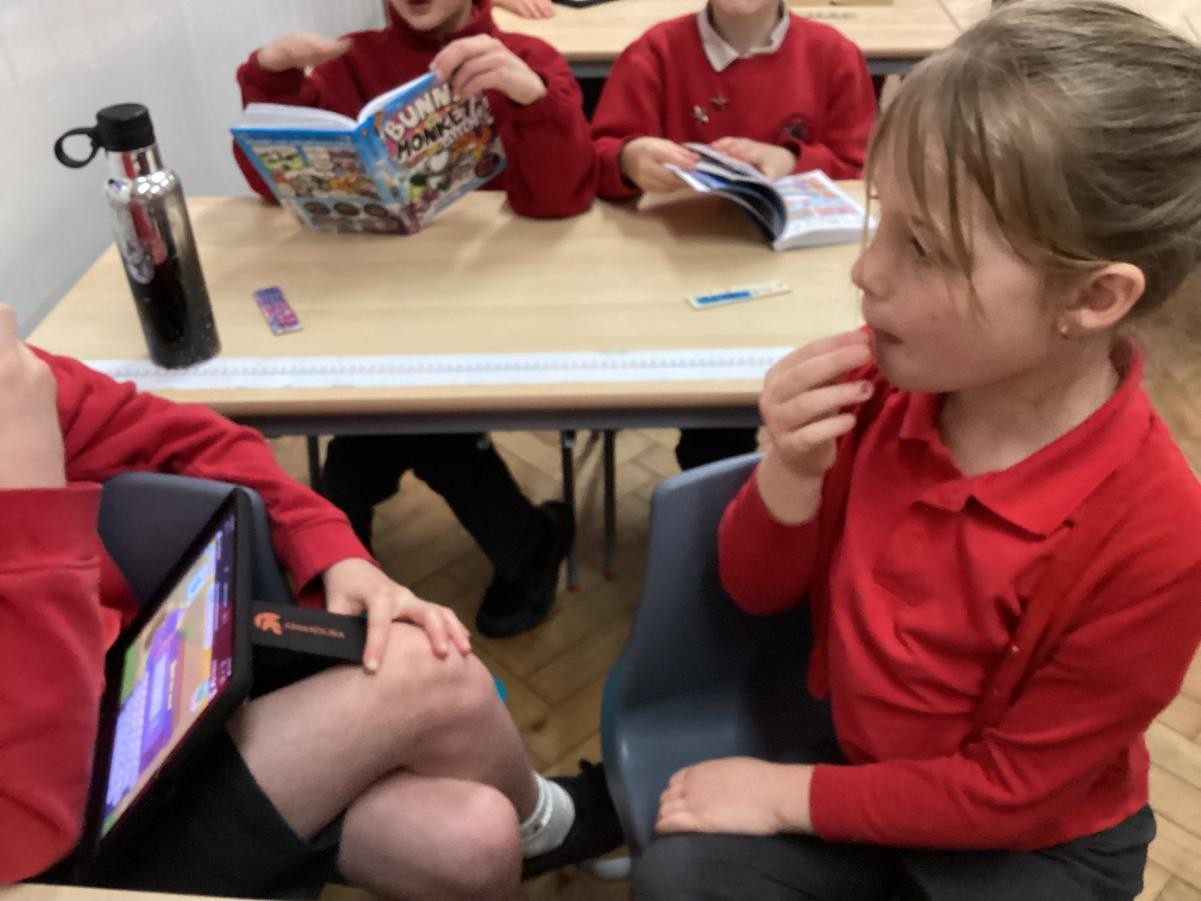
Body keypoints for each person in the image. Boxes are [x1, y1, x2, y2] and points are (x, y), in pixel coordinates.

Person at [632, 2, 1201, 899]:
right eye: (881, 218)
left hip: (1029, 841)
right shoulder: (883, 391)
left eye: (924, 247)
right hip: (856, 758)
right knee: (680, 876)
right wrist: (789, 470)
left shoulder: (1158, 535)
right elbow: (754, 588)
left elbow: (1009, 792)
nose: (865, 271)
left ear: (1092, 298)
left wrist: (788, 795)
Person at [0, 308, 622, 896]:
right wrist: (29, 507)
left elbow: (191, 437)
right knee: (433, 669)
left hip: (143, 714)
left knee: (474, 842)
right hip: (60, 845)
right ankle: (559, 823)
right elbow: (30, 826)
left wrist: (330, 548)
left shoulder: (19, 383)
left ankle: (541, 826)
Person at [235, 0, 596, 637]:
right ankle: (520, 539)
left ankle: (344, 538)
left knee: (399, 428)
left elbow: (562, 197)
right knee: (398, 420)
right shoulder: (352, 62)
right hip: (375, 305)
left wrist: (532, 98)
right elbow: (276, 187)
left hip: (492, 302)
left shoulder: (527, 59)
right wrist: (272, 83)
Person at [589, 0, 875, 473]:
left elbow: (860, 171)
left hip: (802, 288)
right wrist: (628, 158)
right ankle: (724, 487)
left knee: (829, 415)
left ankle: (797, 492)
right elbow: (597, 157)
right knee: (714, 435)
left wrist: (792, 159)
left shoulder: (834, 55)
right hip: (682, 280)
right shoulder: (654, 53)